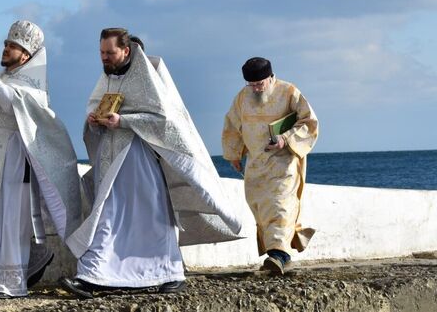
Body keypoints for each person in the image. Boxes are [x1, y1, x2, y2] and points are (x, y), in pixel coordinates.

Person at [61, 28, 242, 298]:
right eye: (101, 52)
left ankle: (169, 272)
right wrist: (94, 119)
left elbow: (163, 122)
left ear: (126, 50)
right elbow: (97, 105)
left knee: (153, 217)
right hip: (111, 159)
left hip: (138, 159)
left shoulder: (147, 78)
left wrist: (124, 121)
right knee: (107, 215)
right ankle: (93, 275)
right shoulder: (108, 77)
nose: (104, 58)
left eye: (109, 53)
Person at [0, 20, 82, 300]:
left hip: (15, 158)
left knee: (11, 217)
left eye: (12, 46)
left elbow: (10, 101)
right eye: (5, 44)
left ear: (26, 55)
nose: (5, 49)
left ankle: (11, 283)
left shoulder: (33, 87)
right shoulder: (0, 80)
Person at [222, 57, 319, 275]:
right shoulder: (242, 97)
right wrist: (234, 154)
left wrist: (285, 139)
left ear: (270, 77)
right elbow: (232, 125)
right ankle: (282, 250)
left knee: (281, 205)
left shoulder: (289, 92)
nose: (256, 89)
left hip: (284, 163)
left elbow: (309, 122)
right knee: (262, 209)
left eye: (260, 84)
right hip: (256, 164)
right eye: (252, 85)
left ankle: (278, 256)